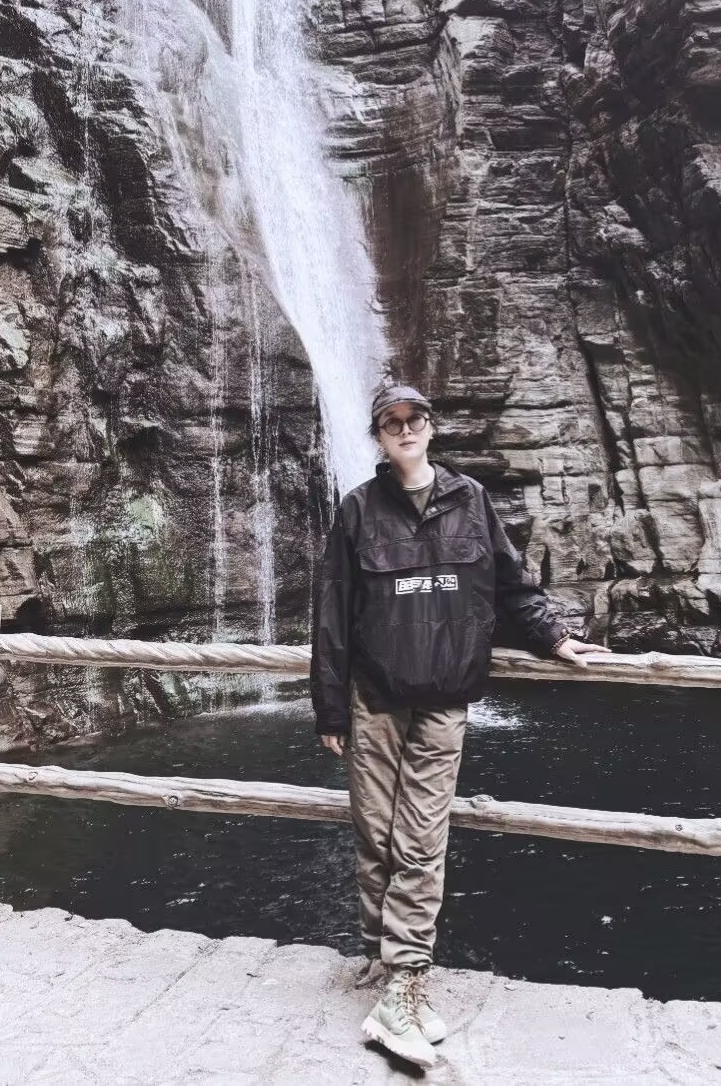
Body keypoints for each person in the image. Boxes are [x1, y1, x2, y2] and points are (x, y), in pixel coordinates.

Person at [311, 382, 601, 1068]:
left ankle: (404, 982)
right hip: (376, 699)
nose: (405, 430)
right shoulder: (358, 509)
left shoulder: (470, 499)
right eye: (391, 423)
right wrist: (330, 708)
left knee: (420, 839)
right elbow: (332, 614)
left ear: (430, 427)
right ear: (379, 436)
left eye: (414, 419)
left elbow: (510, 584)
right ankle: (387, 969)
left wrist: (554, 636)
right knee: (376, 838)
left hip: (445, 698)